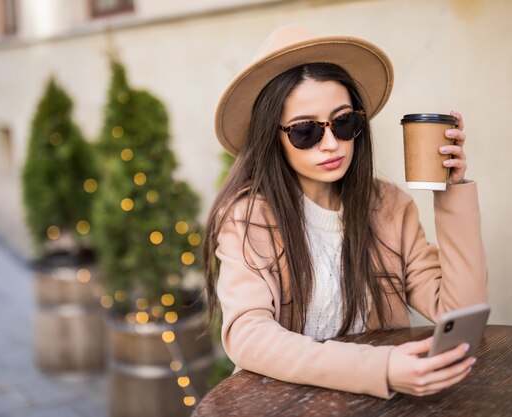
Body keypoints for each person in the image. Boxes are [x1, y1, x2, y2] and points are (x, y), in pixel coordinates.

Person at [202, 24, 488, 399]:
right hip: (283, 404)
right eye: (306, 131)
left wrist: (451, 191)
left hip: (372, 405)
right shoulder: (248, 217)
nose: (332, 144)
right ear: (273, 138)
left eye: (343, 122)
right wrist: (379, 369)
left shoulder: (388, 206)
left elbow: (461, 313)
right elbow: (247, 335)